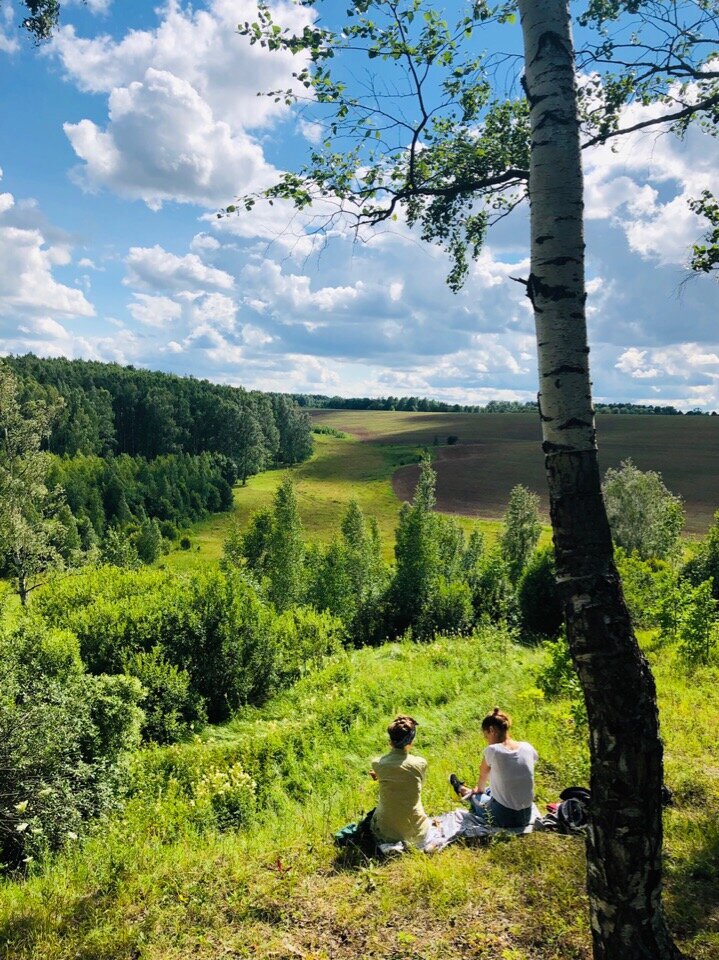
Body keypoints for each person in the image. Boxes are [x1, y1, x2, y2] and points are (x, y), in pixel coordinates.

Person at [450, 707, 537, 828]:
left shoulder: (493, 750)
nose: (487, 741)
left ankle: (462, 789)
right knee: (490, 789)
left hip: (506, 816)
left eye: (486, 736)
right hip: (527, 813)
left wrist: (478, 791)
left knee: (477, 795)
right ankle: (466, 790)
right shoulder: (527, 747)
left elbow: (483, 774)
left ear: (491, 730)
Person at [369, 715, 432, 849]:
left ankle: (390, 845)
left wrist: (379, 776)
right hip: (416, 830)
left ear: (390, 741)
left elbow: (390, 774)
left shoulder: (378, 764)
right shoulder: (420, 763)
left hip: (386, 831)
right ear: (411, 742)